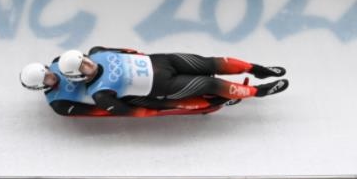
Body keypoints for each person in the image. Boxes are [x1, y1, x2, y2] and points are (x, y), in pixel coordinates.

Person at [56, 46, 288, 116]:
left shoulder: (97, 51)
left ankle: (257, 69)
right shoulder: (99, 93)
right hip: (164, 86)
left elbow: (127, 50)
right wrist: (157, 108)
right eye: (83, 67)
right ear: (78, 75)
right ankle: (258, 91)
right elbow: (128, 110)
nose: (89, 64)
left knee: (211, 63)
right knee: (209, 83)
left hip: (164, 61)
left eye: (85, 59)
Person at [20, 58, 235, 117]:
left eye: (47, 72)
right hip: (118, 96)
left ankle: (210, 83)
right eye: (46, 79)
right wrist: (114, 107)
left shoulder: (60, 61)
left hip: (119, 78)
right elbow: (95, 112)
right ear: (40, 87)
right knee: (162, 103)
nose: (51, 76)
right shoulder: (58, 103)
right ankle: (210, 101)